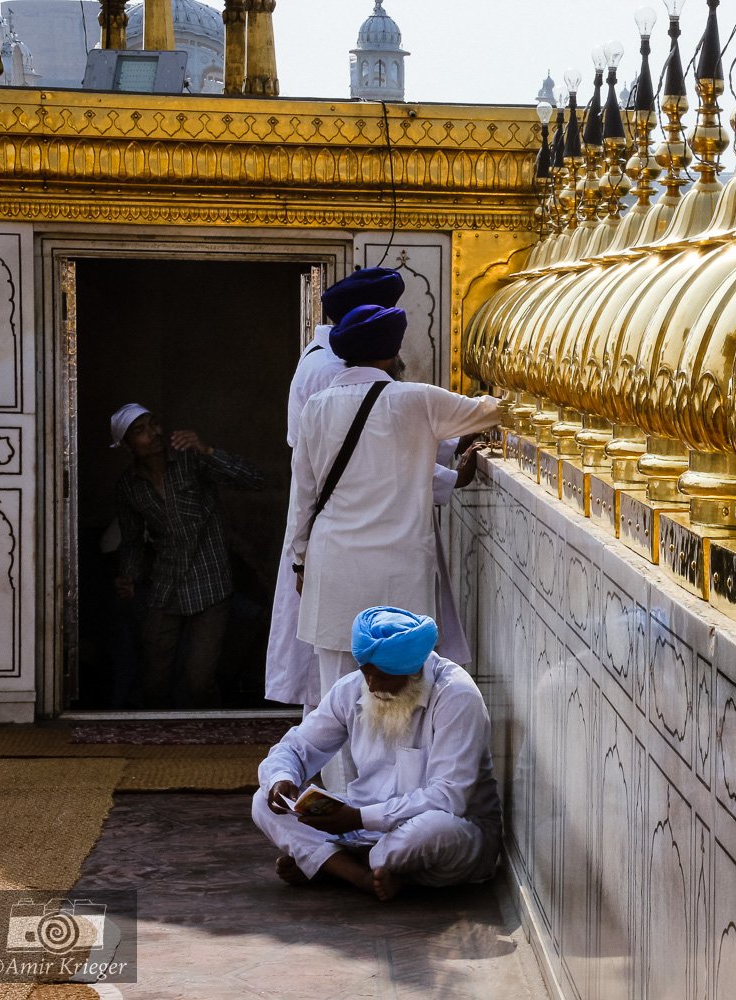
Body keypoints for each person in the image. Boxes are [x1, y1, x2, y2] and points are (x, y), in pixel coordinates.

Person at [288, 303, 499, 784]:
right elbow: (491, 413)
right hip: (399, 574)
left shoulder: (317, 407)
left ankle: (339, 804)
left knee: (337, 700)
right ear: (392, 353)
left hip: (333, 570)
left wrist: (300, 562)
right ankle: (395, 807)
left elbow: (301, 499)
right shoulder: (416, 400)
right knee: (406, 695)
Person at [252, 606, 502, 900]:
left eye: (384, 677)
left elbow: (449, 799)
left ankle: (331, 864)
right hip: (364, 827)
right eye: (366, 673)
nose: (372, 686)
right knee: (263, 802)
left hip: (445, 831)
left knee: (433, 830)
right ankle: (362, 876)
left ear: (412, 669)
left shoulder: (456, 696)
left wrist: (358, 818)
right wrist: (283, 778)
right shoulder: (353, 689)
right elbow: (295, 747)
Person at [266, 267, 405, 715]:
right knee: (339, 676)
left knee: (335, 670)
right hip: (339, 527)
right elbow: (374, 456)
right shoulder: (332, 372)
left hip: (335, 527)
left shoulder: (322, 359)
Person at [111, 404, 264, 708]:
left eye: (153, 424)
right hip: (165, 585)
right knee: (154, 678)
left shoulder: (190, 459)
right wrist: (128, 575)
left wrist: (207, 450)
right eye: (139, 431)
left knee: (199, 680)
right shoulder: (129, 487)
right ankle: (161, 742)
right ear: (127, 445)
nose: (153, 434)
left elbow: (253, 479)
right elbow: (131, 540)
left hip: (210, 583)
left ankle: (206, 738)